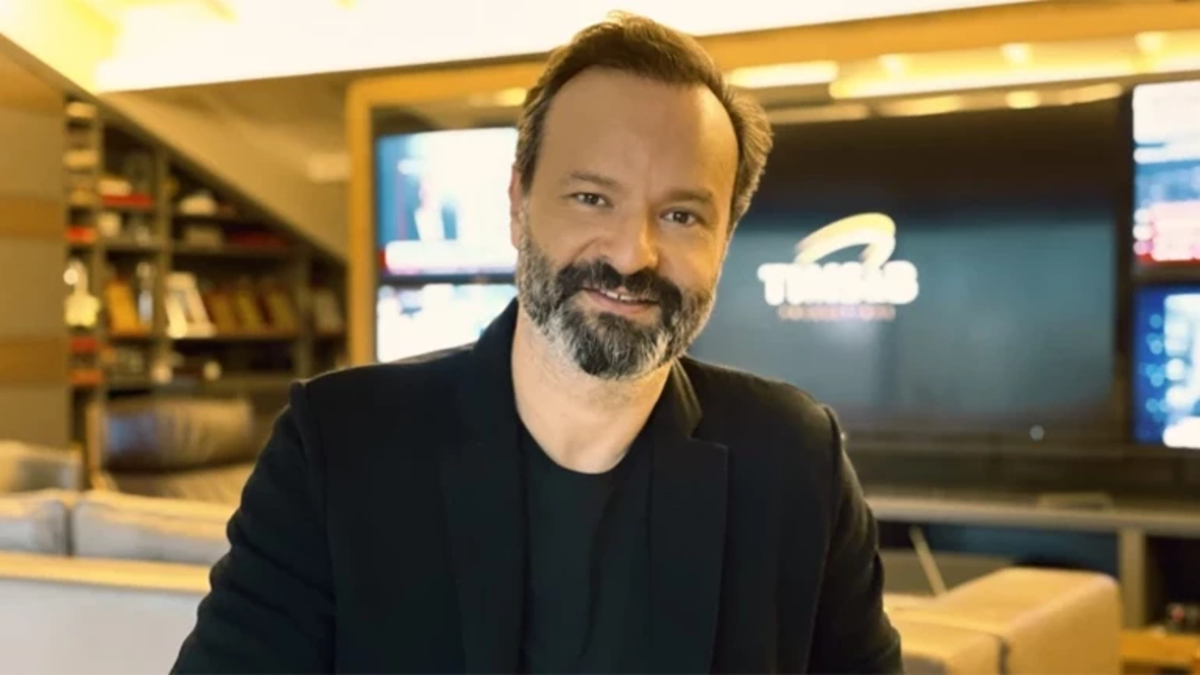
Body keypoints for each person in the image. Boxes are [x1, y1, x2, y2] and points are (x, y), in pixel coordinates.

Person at [172, 12, 902, 675]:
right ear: (518, 207)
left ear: (725, 239)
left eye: (681, 215)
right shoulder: (338, 446)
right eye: (592, 198)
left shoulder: (794, 458)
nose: (632, 254)